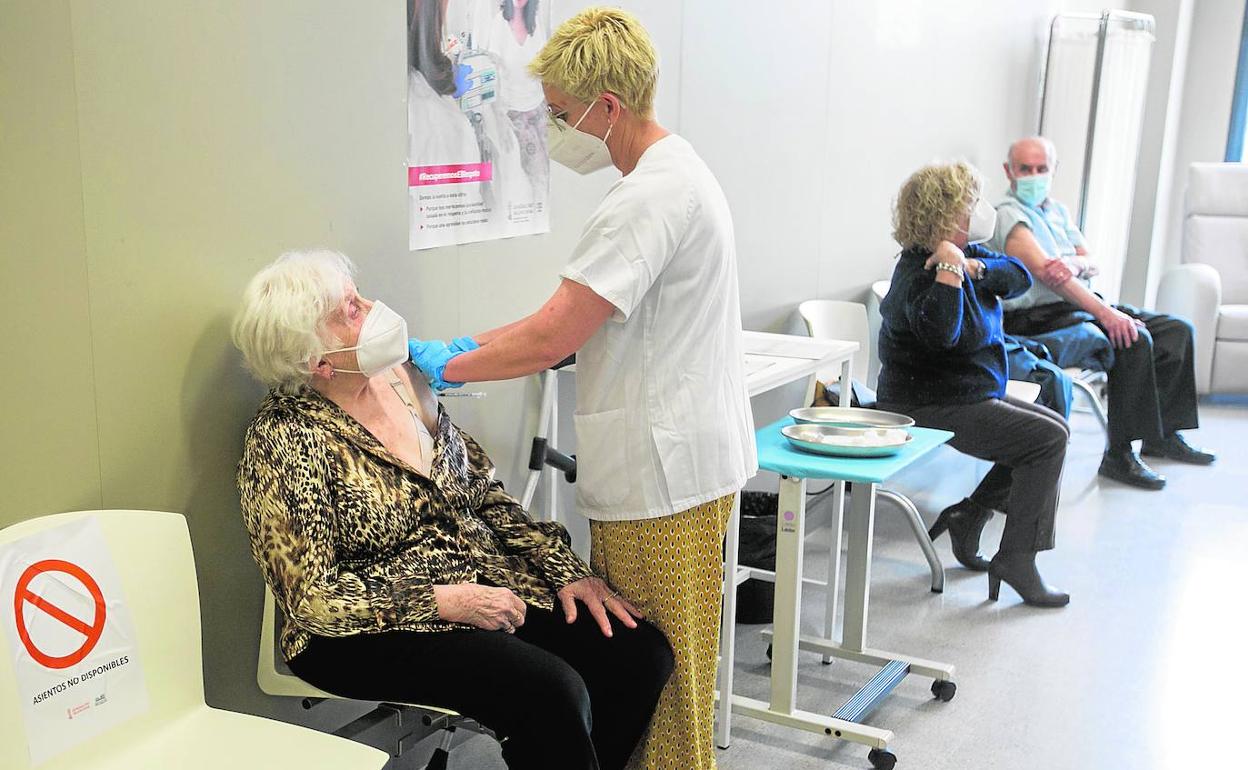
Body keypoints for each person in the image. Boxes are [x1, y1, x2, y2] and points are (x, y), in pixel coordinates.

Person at [408, 9, 756, 768]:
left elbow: (557, 334)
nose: (556, 130)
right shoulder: (674, 172)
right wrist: (473, 344)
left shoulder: (647, 199)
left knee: (661, 683)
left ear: (609, 106)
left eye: (562, 115)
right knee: (666, 668)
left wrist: (445, 366)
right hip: (679, 467)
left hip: (661, 479)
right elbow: (562, 316)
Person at [232, 250, 673, 770]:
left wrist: (565, 570)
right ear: (318, 362)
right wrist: (444, 601)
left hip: (480, 583)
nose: (372, 308)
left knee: (638, 655)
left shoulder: (403, 381)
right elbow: (315, 600)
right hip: (362, 631)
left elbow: (482, 493)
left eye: (358, 295)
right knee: (549, 690)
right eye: (348, 309)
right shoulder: (285, 437)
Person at [876, 161, 1071, 607]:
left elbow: (1019, 277)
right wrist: (948, 271)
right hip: (926, 403)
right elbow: (941, 333)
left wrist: (972, 267)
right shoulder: (916, 272)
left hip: (969, 393)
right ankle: (1017, 559)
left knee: (1053, 430)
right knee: (1043, 441)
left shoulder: (972, 255)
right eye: (970, 204)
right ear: (945, 215)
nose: (980, 211)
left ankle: (971, 515)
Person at [991, 136, 1215, 490]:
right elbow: (1051, 275)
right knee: (1130, 336)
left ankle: (1164, 436)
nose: (1034, 176)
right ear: (1009, 172)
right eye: (1025, 169)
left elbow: (1088, 261)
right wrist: (1107, 314)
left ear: (1054, 170)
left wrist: (1075, 264)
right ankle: (1119, 456)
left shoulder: (1056, 212)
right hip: (1039, 317)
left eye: (1042, 168)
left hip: (1077, 305)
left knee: (1176, 330)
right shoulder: (1009, 215)